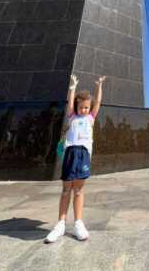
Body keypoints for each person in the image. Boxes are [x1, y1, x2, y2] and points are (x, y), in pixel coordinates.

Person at [44, 73, 106, 243]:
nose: (84, 110)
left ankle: (78, 223)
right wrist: (72, 87)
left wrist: (99, 86)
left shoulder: (90, 118)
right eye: (82, 107)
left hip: (84, 154)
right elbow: (70, 103)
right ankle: (61, 224)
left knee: (79, 189)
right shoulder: (73, 117)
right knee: (66, 189)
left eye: (87, 107)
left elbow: (98, 103)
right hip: (71, 153)